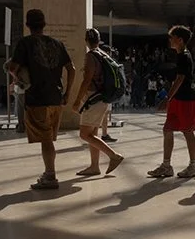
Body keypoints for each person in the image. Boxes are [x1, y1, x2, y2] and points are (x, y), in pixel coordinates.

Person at [7, 10, 75, 189]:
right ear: (44, 24)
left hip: (37, 98)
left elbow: (12, 67)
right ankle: (48, 173)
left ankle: (50, 176)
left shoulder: (25, 43)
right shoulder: (57, 44)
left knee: (46, 139)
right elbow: (72, 69)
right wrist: (67, 93)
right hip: (56, 97)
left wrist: (18, 78)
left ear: (27, 25)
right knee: (48, 139)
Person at [148, 25, 195, 178]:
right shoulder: (180, 55)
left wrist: (167, 98)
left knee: (187, 131)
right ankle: (166, 165)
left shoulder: (184, 56)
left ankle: (193, 165)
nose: (169, 40)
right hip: (178, 99)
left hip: (185, 99)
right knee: (168, 129)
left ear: (180, 40)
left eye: (172, 37)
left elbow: (180, 78)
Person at [71, 29, 124, 177]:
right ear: (99, 40)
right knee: (93, 133)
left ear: (86, 40)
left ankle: (114, 156)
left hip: (93, 99)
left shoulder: (91, 56)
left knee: (84, 134)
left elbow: (86, 80)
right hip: (102, 99)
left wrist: (76, 101)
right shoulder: (104, 54)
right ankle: (94, 166)